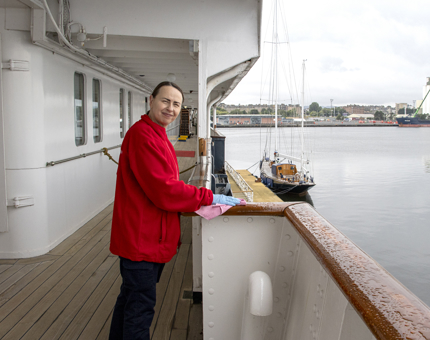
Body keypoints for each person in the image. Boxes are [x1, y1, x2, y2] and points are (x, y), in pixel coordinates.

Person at [109, 81, 240, 340]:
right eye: (165, 101)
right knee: (139, 310)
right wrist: (209, 195)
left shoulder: (156, 132)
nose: (171, 108)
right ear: (151, 100)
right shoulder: (143, 135)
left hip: (145, 239)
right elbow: (165, 191)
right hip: (141, 241)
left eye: (176, 104)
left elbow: (166, 186)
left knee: (130, 301)